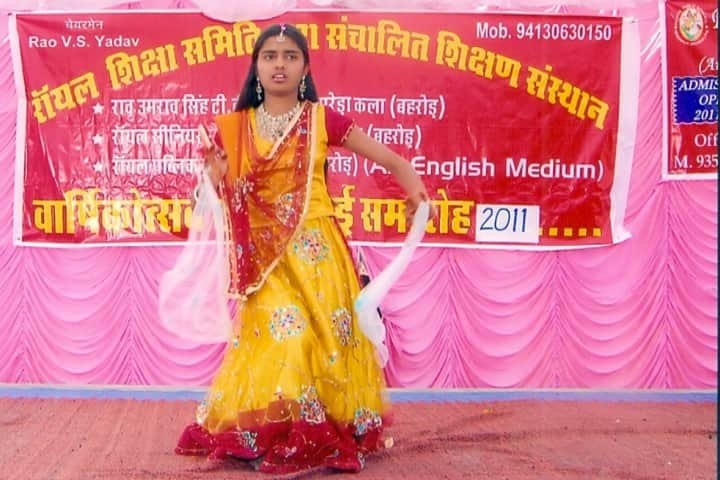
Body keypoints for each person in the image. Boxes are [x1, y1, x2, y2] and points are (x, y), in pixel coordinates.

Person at [174, 23, 432, 475]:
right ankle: (274, 433)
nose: (280, 64)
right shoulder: (233, 130)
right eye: (270, 56)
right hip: (267, 265)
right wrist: (211, 179)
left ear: (305, 68)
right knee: (286, 341)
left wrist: (416, 194)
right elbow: (201, 207)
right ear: (256, 67)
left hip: (319, 258)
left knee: (324, 348)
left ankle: (315, 431)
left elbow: (391, 160)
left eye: (290, 56)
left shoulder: (321, 120)